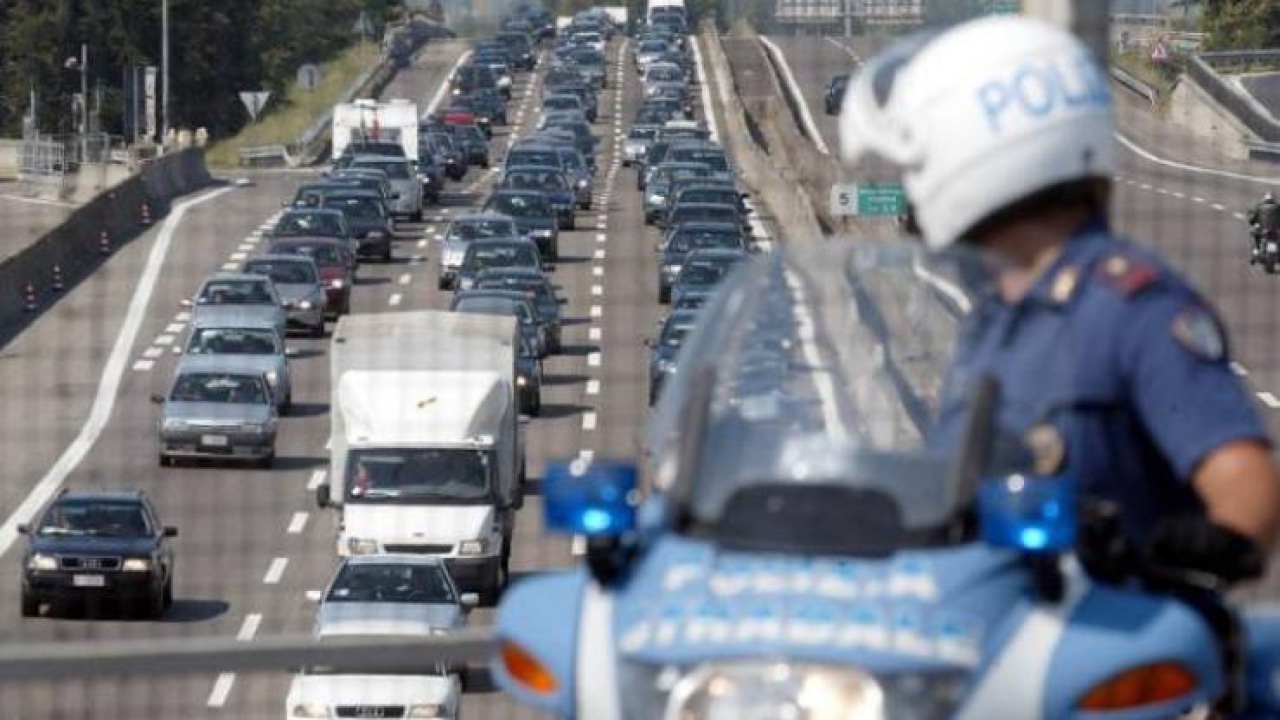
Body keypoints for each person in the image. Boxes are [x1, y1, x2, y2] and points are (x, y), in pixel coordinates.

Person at [840, 16, 1280, 586]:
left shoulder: (1131, 310)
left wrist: (1165, 558)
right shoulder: (994, 317)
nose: (912, 185)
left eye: (918, 162)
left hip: (1105, 647)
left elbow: (1249, 491)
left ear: (975, 156)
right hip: (987, 628)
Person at [1248, 192, 1279, 264]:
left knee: (1255, 235)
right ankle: (1256, 252)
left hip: (1264, 231)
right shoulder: (1278, 206)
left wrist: (1253, 222)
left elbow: (1252, 220)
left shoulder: (1259, 207)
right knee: (1255, 234)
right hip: (1274, 231)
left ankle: (1255, 252)